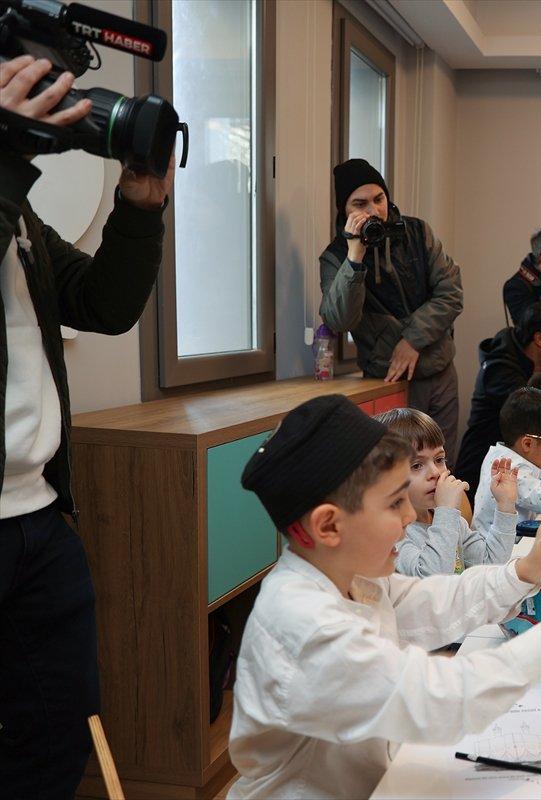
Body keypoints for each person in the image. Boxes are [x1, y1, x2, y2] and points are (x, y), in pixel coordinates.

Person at [230, 395, 541, 798]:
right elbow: (442, 698)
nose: (409, 517)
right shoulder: (308, 626)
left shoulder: (353, 576)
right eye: (392, 504)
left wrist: (525, 568)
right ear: (328, 526)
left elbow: (434, 599)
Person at [0, 54, 173, 795]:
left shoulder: (23, 221)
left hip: (38, 520)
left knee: (53, 743)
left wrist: (139, 204)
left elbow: (102, 303)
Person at [318, 158, 465, 465]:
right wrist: (355, 257)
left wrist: (412, 340)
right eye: (360, 204)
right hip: (386, 380)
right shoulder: (335, 256)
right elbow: (339, 320)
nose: (373, 211)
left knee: (443, 467)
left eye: (379, 199)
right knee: (396, 473)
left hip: (439, 372)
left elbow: (451, 293)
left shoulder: (418, 232)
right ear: (344, 210)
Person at [455, 301, 541, 502]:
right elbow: (539, 413)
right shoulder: (500, 369)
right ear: (540, 338)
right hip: (488, 476)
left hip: (526, 474)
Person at [377, 407, 517, 576]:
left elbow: (490, 564)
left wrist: (505, 505)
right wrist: (446, 512)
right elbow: (431, 581)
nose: (435, 473)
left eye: (439, 459)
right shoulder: (395, 533)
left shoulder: (448, 519)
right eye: (416, 465)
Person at [473, 387, 541, 531]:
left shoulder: (502, 456)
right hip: (498, 551)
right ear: (527, 443)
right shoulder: (508, 469)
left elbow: (533, 496)